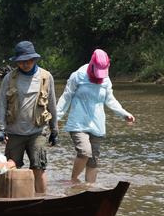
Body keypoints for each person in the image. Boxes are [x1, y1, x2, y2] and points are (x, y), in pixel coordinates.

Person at [56, 49, 135, 184]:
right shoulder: (78, 76)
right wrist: (56, 118)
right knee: (85, 152)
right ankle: (73, 181)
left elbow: (110, 100)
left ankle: (90, 189)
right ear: (92, 64)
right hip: (78, 123)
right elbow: (66, 97)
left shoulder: (106, 80)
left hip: (97, 124)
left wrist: (124, 113)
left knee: (93, 161)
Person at [0, 41, 57, 194]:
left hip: (37, 131)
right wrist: (1, 129)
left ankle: (42, 200)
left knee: (39, 168)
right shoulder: (9, 79)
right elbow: (2, 104)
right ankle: (12, 199)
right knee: (11, 168)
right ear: (17, 62)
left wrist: (54, 129)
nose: (25, 64)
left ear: (34, 59)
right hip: (14, 132)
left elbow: (52, 104)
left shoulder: (46, 77)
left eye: (29, 60)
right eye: (22, 61)